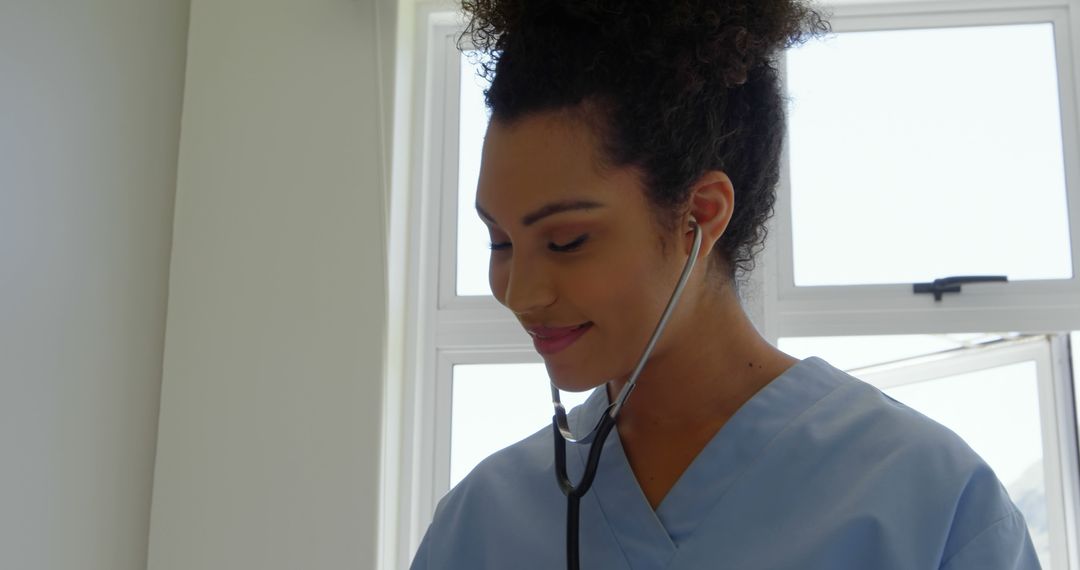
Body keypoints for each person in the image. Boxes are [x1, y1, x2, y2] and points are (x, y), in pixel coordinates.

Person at [411, 0, 1041, 568]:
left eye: (567, 241)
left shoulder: (933, 503)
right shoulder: (479, 525)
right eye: (499, 241)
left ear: (702, 214)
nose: (521, 294)